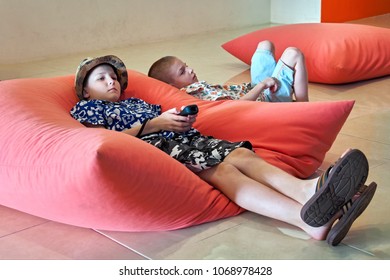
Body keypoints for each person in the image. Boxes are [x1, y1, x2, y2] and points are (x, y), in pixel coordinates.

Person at [70, 55, 376, 246]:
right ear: (85, 90)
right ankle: (306, 206)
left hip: (183, 139)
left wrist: (178, 119)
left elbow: (161, 117)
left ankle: (308, 204)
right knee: (224, 169)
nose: (111, 81)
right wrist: (153, 125)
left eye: (113, 76)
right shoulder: (88, 109)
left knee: (238, 157)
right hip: (154, 148)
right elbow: (104, 144)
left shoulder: (135, 102)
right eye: (101, 78)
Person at [147, 40, 309, 102]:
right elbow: (237, 108)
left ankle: (288, 91)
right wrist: (263, 85)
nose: (190, 70)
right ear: (171, 86)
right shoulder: (194, 94)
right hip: (265, 100)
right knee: (293, 53)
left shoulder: (195, 89)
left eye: (186, 65)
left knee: (265, 45)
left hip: (256, 89)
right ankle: (303, 109)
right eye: (182, 72)